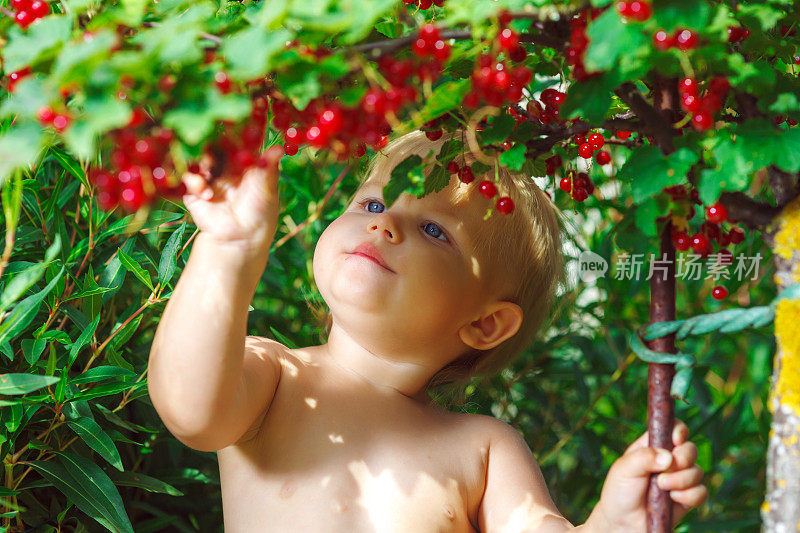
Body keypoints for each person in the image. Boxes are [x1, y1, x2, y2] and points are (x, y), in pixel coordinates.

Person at [147, 128, 707, 532]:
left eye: (435, 230)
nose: (383, 222)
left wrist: (615, 523)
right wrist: (230, 249)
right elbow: (190, 408)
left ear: (486, 324)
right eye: (371, 201)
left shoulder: (482, 449)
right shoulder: (276, 376)